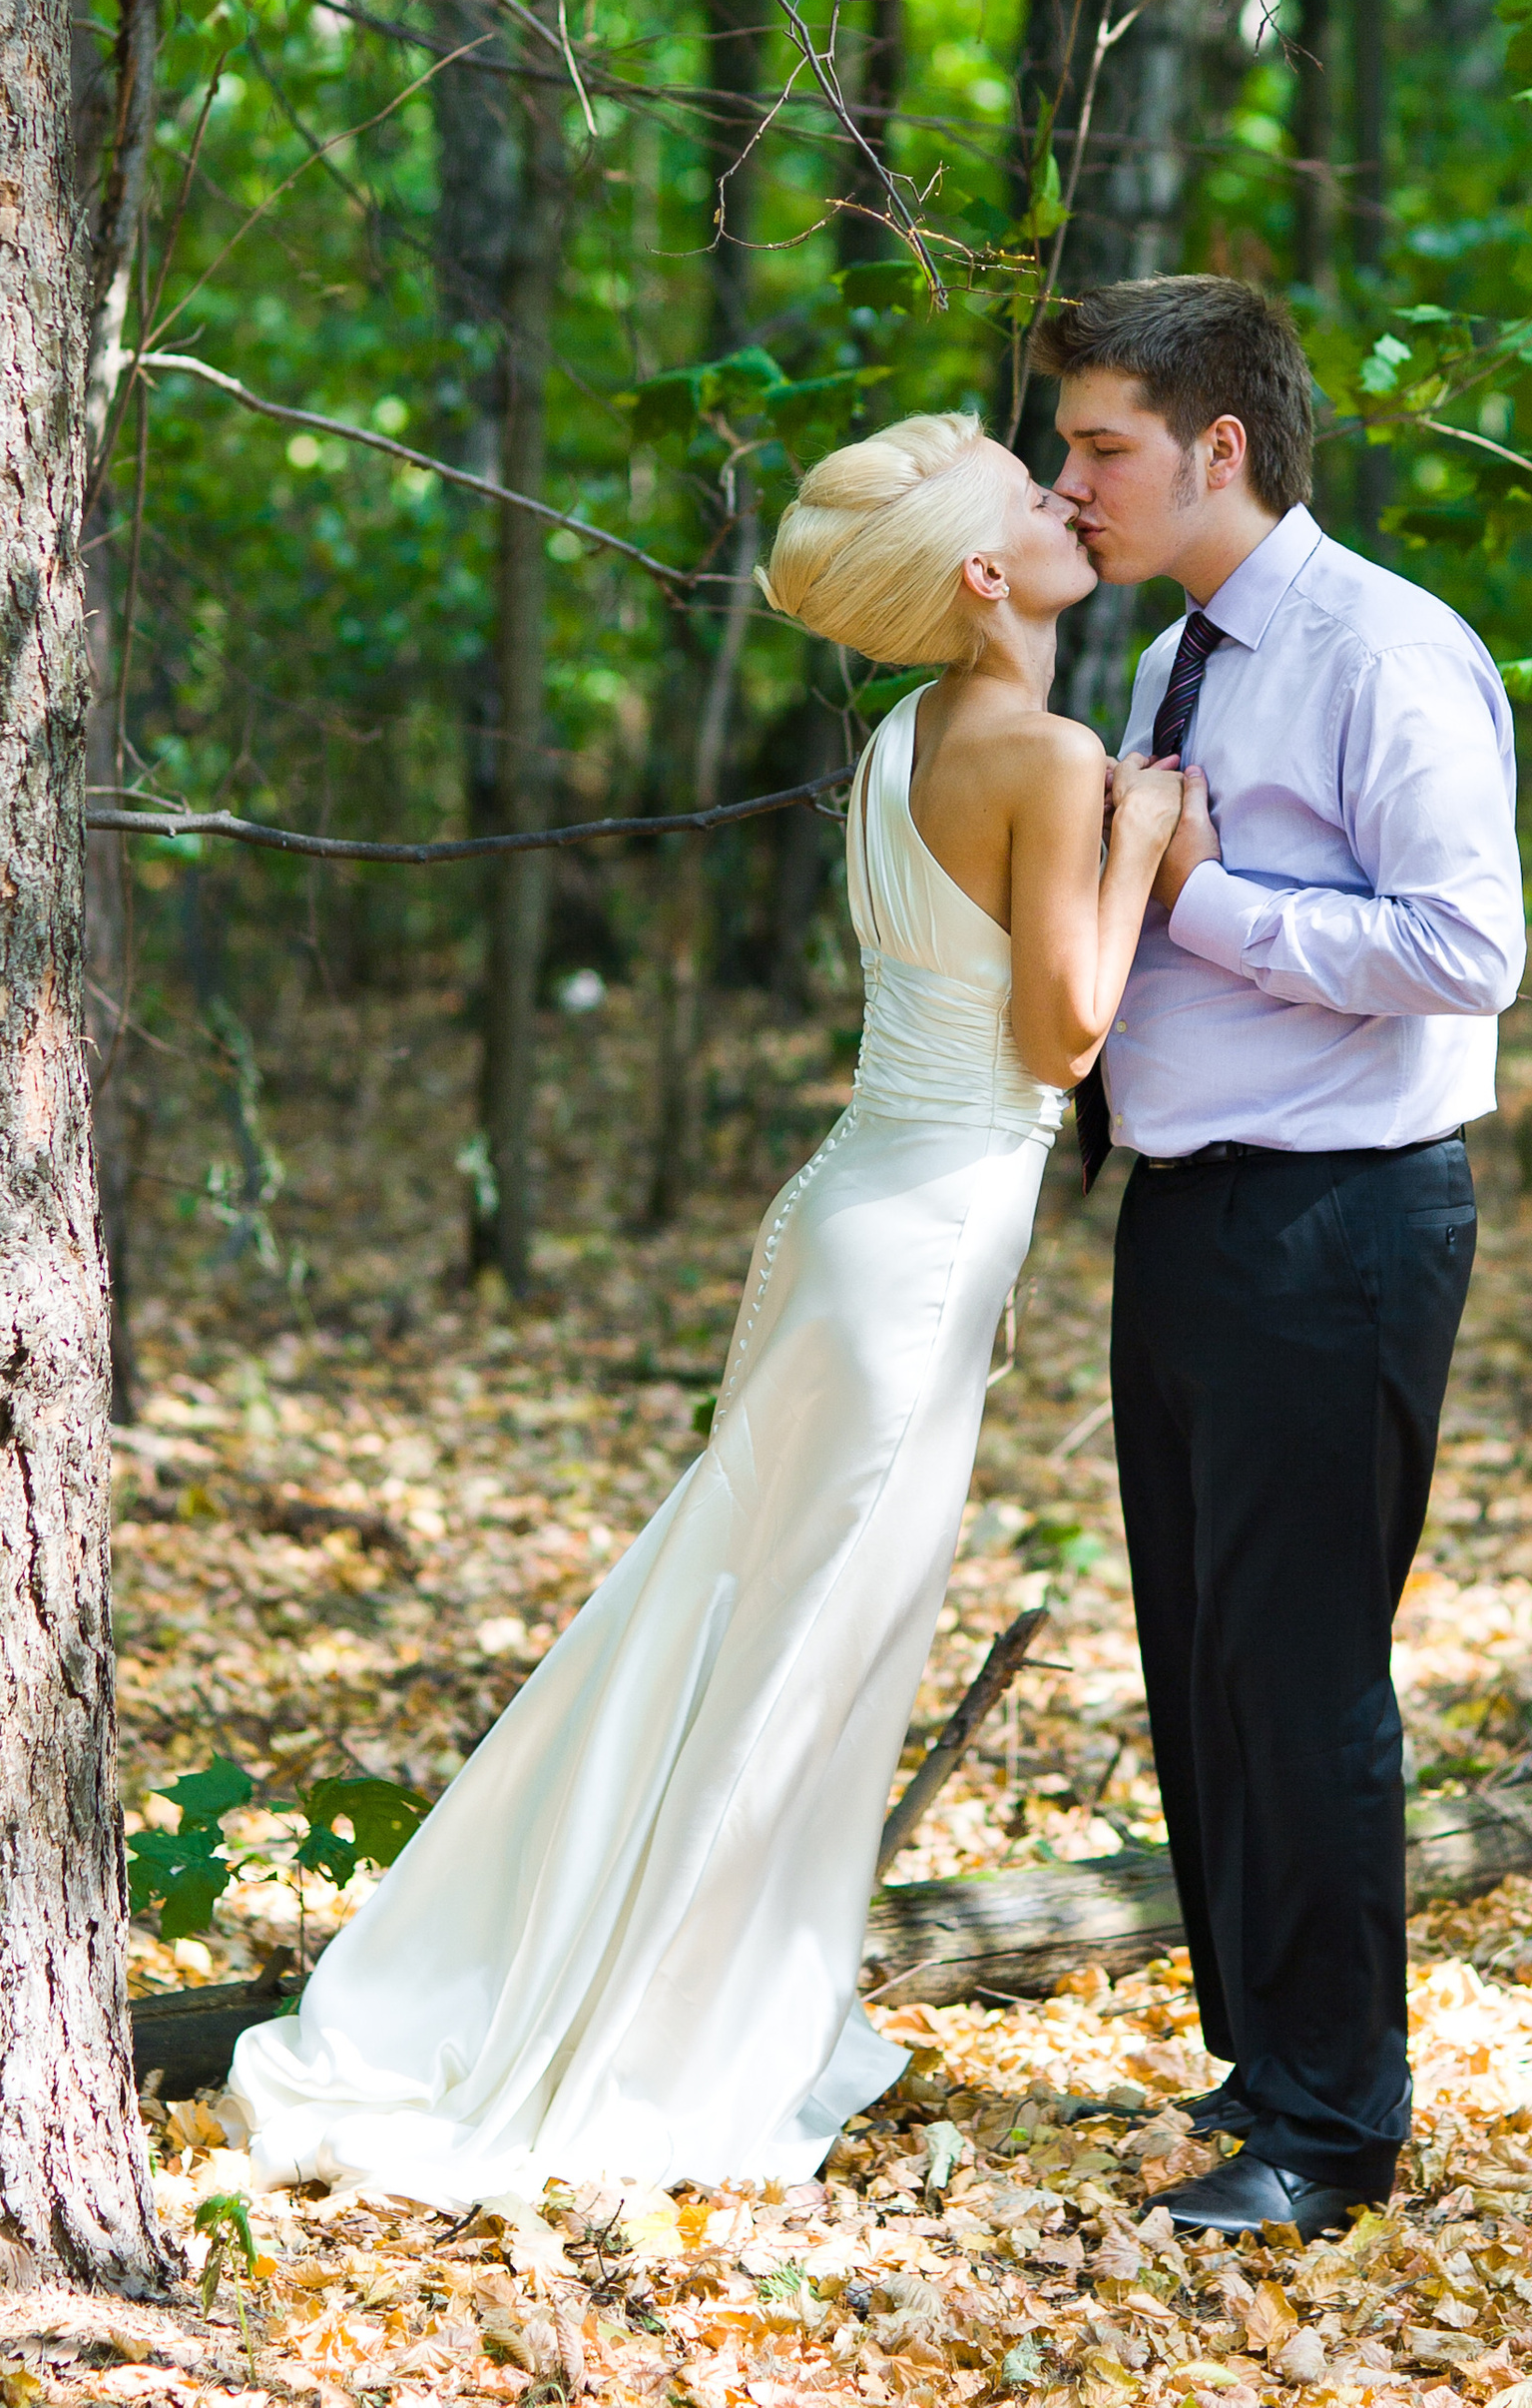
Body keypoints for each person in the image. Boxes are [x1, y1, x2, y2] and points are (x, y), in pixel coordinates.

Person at [225, 410, 1182, 2204]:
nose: (1067, 496)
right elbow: (1061, 1036)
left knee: (743, 1621)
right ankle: (663, 2046)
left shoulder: (905, 738)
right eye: (1033, 493)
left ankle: (661, 1985)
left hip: (851, 1212)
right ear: (989, 576)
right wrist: (1145, 841)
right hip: (914, 1248)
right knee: (803, 1652)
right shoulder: (1051, 758)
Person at [1040, 276, 1524, 2242]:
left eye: (1102, 447)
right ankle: (1264, 2060)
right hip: (1186, 1213)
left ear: (1217, 446)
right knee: (1205, 1661)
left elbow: (1466, 949)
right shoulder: (1179, 654)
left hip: (1335, 1221)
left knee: (1305, 1672)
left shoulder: (1377, 650)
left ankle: (1333, 2132)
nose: (1069, 485)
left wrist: (1206, 894)